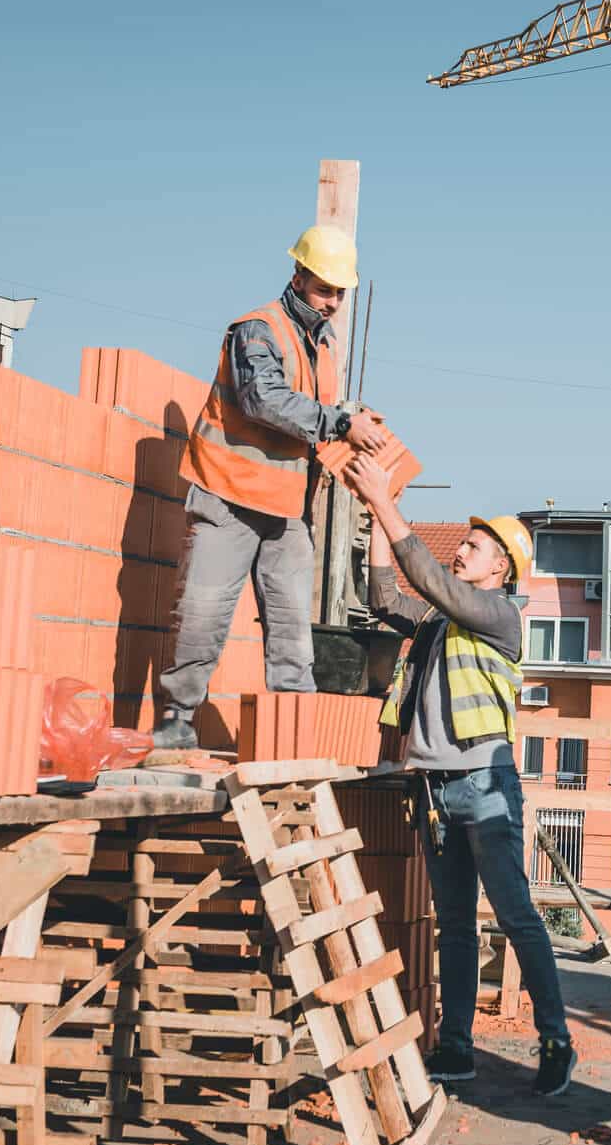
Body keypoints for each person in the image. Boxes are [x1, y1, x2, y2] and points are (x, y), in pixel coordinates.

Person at [344, 453, 576, 1097]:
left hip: (485, 786)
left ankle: (556, 1039)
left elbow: (429, 582)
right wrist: (373, 521)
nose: (461, 553)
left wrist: (389, 507)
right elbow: (387, 597)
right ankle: (457, 1047)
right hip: (435, 790)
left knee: (515, 916)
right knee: (453, 924)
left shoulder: (498, 614)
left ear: (500, 567)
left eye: (472, 548)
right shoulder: (439, 622)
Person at [151, 225, 377, 751]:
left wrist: (344, 429)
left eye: (341, 293)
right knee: (204, 617)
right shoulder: (257, 329)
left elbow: (310, 419)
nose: (333, 302)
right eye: (325, 289)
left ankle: (289, 737)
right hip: (229, 497)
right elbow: (263, 399)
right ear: (297, 275)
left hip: (286, 509)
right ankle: (176, 720)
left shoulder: (325, 343)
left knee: (294, 634)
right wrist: (339, 423)